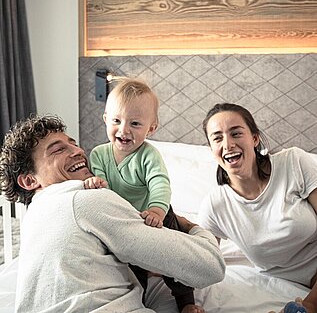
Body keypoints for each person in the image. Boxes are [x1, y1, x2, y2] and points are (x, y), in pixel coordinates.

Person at [0, 114, 225, 313]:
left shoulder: (33, 218)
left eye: (74, 144)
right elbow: (210, 267)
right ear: (29, 180)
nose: (78, 151)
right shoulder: (87, 198)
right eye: (58, 149)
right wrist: (191, 227)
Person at [87, 77, 205, 313]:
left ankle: (186, 302)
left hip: (158, 216)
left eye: (135, 123)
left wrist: (157, 211)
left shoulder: (148, 155)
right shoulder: (99, 154)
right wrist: (93, 182)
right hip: (125, 223)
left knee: (174, 260)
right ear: (105, 120)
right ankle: (134, 304)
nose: (124, 130)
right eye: (117, 121)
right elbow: (102, 189)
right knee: (131, 268)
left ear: (151, 128)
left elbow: (160, 184)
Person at [197, 102, 317, 313]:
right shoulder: (215, 206)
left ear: (254, 138)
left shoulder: (293, 162)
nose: (228, 144)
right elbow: (199, 261)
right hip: (290, 282)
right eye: (217, 138)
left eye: (236, 133)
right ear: (211, 149)